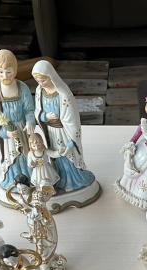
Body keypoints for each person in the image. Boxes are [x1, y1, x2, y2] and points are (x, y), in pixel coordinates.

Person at [32, 59, 96, 192]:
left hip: (64, 131)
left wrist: (71, 140)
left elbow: (71, 119)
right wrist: (45, 117)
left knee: (67, 154)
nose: (40, 83)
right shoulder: (39, 91)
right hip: (50, 132)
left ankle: (74, 180)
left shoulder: (63, 94)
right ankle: (59, 178)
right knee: (56, 156)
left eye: (43, 80)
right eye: (38, 81)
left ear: (50, 76)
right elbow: (37, 111)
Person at [0, 49, 36, 192]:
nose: (5, 76)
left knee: (25, 155)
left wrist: (30, 122)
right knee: (11, 157)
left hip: (22, 129)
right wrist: (5, 132)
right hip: (7, 134)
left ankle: (30, 179)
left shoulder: (22, 87)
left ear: (15, 70)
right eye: (1, 72)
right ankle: (13, 181)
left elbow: (29, 109)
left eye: (8, 72)